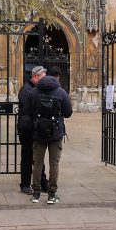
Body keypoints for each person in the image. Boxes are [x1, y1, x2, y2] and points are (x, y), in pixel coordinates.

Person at [29, 71, 73, 204]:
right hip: (56, 132)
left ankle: (36, 193)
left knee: (37, 163)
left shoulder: (34, 92)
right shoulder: (61, 92)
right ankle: (52, 194)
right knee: (54, 163)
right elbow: (68, 113)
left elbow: (29, 111)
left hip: (39, 132)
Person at [17, 66, 48, 194]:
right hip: (27, 129)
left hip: (35, 128)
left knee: (38, 157)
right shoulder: (26, 89)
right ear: (35, 77)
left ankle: (43, 182)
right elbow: (31, 108)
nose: (45, 81)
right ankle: (25, 184)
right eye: (43, 78)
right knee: (27, 157)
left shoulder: (36, 89)